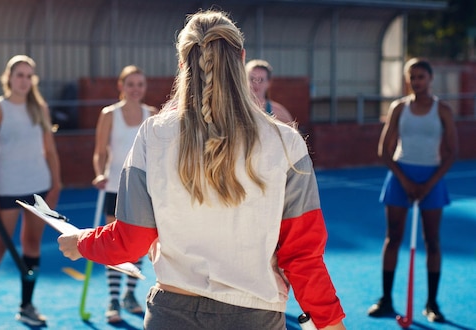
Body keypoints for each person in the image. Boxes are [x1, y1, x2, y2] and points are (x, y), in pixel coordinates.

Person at [59, 10, 346, 330]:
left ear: (182, 63)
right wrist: (331, 323)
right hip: (254, 317)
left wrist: (81, 241)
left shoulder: (153, 134)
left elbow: (131, 241)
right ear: (242, 59)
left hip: (171, 314)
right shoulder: (286, 142)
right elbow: (302, 256)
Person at [0, 55, 62, 329]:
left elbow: (50, 151)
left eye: (29, 75)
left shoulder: (40, 108)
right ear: (8, 78)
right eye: (19, 74)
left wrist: (56, 184)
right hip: (7, 189)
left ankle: (26, 306)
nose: (24, 80)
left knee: (32, 245)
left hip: (38, 187)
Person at [368, 58, 458, 322]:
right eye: (412, 77)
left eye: (421, 77)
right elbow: (384, 151)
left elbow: (452, 152)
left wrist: (429, 184)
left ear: (430, 79)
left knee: (432, 241)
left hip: (432, 176)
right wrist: (406, 181)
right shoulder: (399, 108)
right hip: (400, 176)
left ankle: (432, 304)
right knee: (393, 237)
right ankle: (386, 299)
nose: (417, 81)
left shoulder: (442, 109)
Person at [91, 64, 157, 323]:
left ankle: (130, 294)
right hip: (114, 187)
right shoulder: (109, 114)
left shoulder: (151, 114)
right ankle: (113, 299)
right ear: (121, 86)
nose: (135, 89)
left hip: (141, 188)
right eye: (130, 84)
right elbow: (99, 151)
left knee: (138, 245)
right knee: (115, 242)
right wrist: (99, 172)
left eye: (140, 84)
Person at [245, 59, 294, 123]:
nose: (256, 83)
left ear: (268, 83)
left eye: (261, 80)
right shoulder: (235, 110)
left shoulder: (279, 112)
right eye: (252, 79)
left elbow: (291, 132)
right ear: (244, 80)